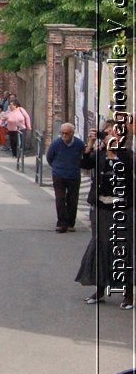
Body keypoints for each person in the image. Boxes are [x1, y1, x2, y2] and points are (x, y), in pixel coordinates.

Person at [75, 130, 135, 309]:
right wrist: (91, 142)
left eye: (114, 136)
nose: (110, 138)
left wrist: (111, 148)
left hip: (122, 209)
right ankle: (100, 290)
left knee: (123, 249)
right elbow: (84, 163)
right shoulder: (99, 155)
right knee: (100, 248)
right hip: (102, 209)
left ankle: (128, 294)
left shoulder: (127, 156)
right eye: (107, 135)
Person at [45, 123, 85, 232]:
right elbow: (49, 157)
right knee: (60, 199)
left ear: (72, 133)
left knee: (72, 200)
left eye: (67, 133)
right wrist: (57, 167)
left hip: (74, 175)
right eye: (62, 133)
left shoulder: (79, 144)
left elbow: (83, 157)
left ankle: (71, 223)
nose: (64, 136)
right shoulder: (56, 144)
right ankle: (62, 223)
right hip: (59, 174)